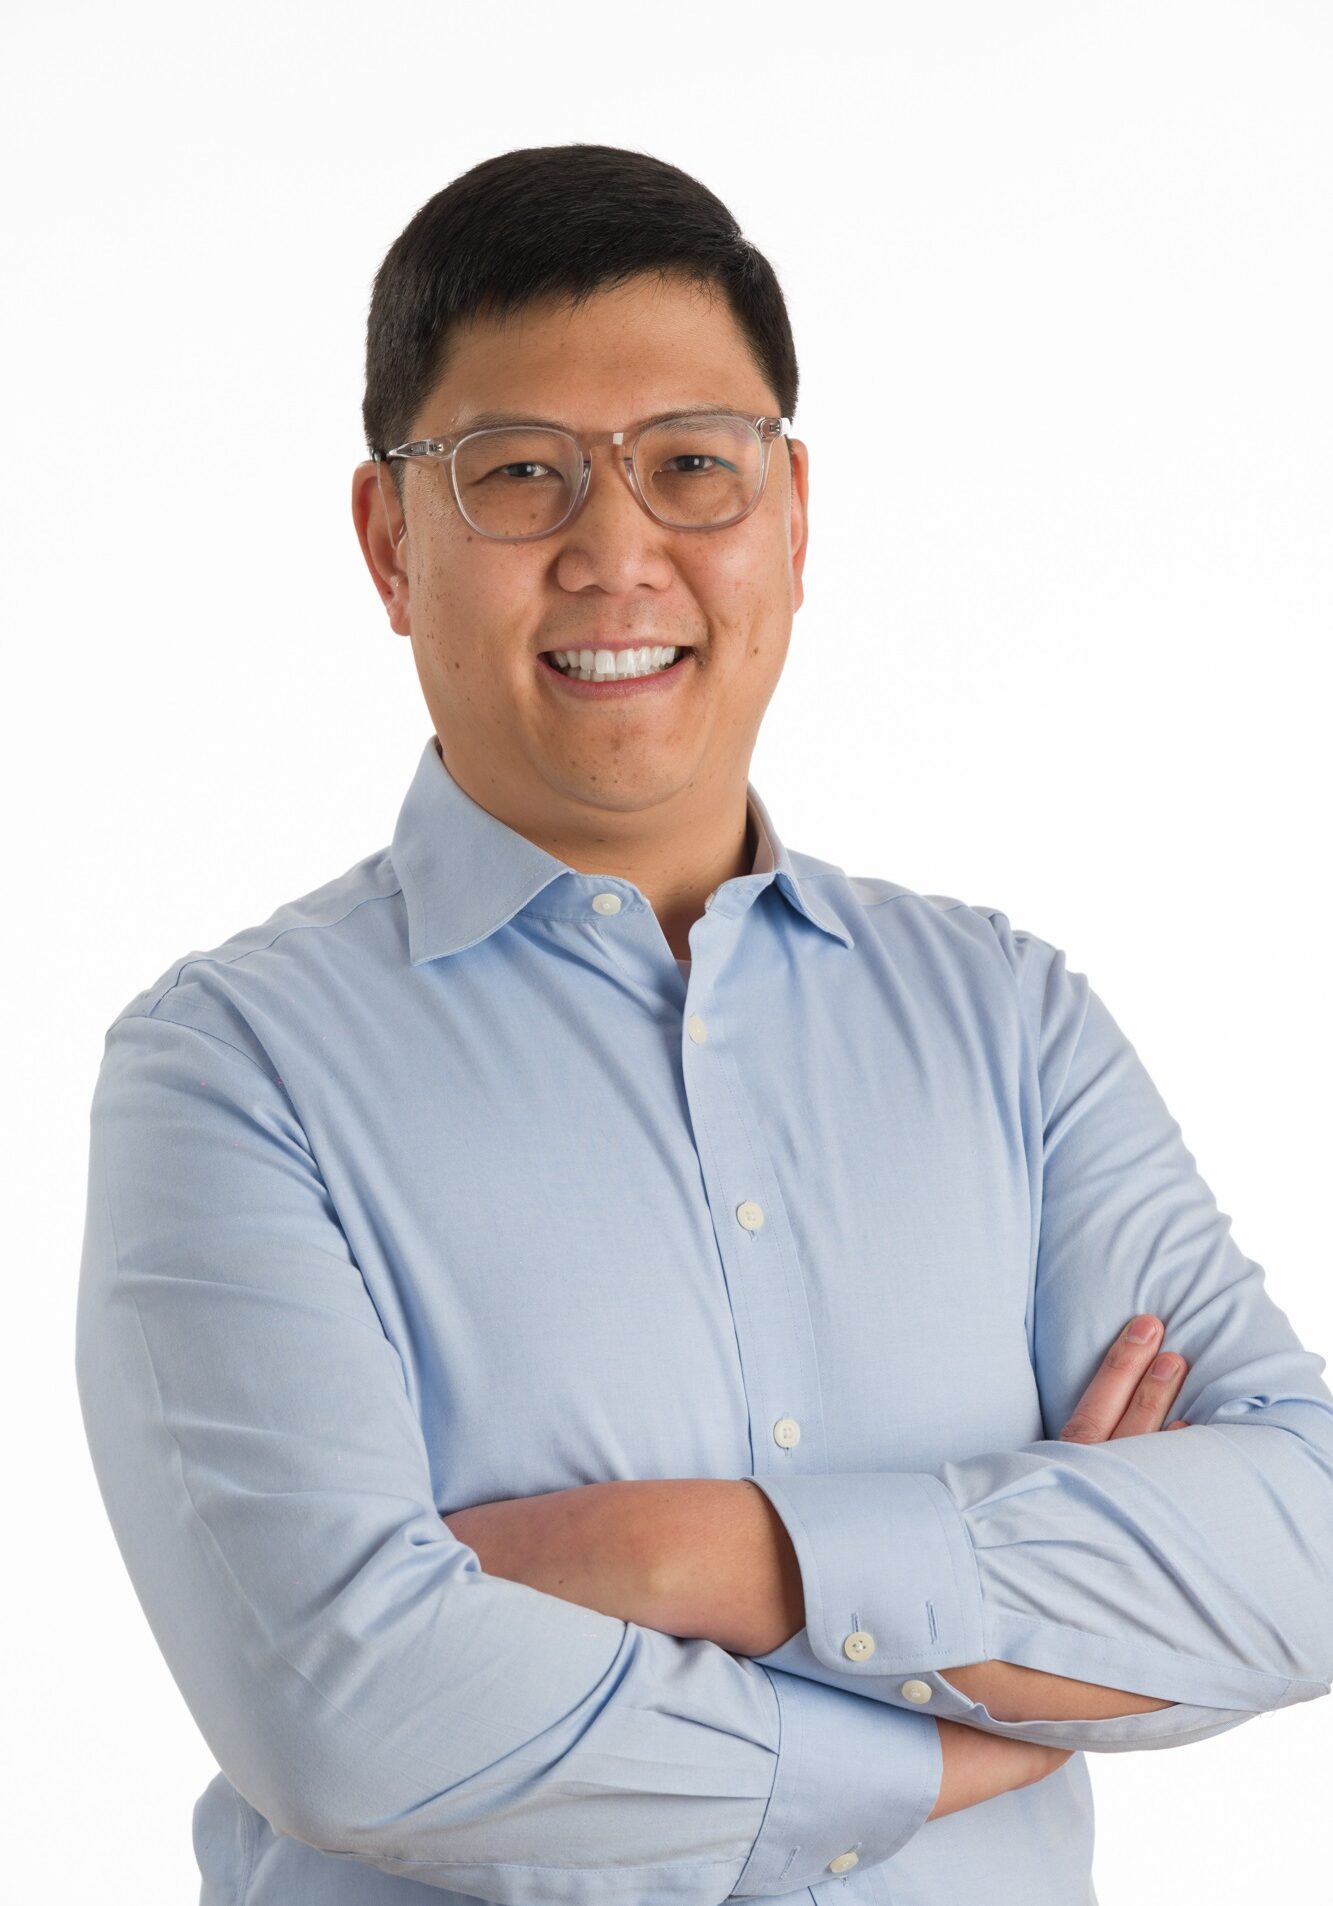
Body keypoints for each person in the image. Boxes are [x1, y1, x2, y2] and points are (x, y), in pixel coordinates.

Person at [75, 144, 1333, 1906]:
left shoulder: (1006, 1023)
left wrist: (698, 1555)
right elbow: (347, 1706)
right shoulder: (231, 1071)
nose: (615, 554)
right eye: (516, 474)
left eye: (688, 468)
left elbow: (1307, 1540)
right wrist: (978, 1698)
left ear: (792, 519)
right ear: (390, 542)